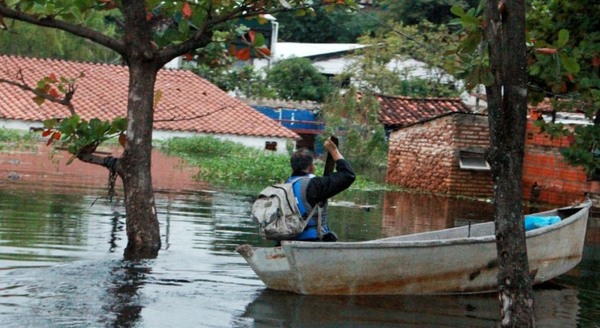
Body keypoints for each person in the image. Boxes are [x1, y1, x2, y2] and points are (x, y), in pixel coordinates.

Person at [286, 137, 355, 242]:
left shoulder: (286, 184)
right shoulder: (314, 185)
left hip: (287, 238)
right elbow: (348, 175)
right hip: (311, 240)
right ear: (311, 167)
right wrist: (334, 151)